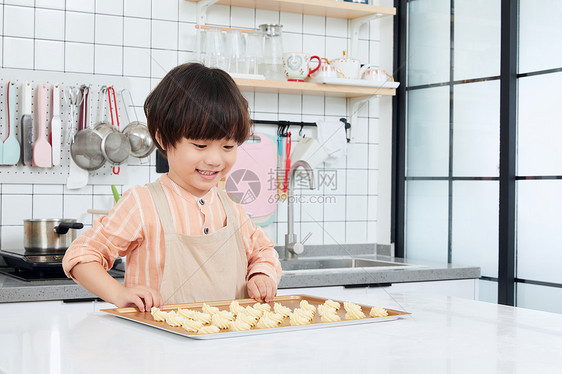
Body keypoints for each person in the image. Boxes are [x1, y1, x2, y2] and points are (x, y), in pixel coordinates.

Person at [62, 63, 282, 312]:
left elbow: (263, 251)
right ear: (163, 138)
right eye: (200, 145)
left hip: (228, 345)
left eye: (228, 146)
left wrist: (262, 275)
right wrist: (118, 293)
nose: (215, 159)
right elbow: (81, 256)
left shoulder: (232, 205)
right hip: (159, 346)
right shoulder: (143, 204)